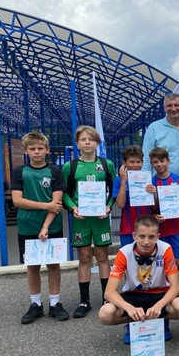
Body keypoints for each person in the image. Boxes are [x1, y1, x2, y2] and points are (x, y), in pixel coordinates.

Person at [98, 215, 179, 343]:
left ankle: (160, 320)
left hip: (159, 293)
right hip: (133, 295)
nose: (146, 242)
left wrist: (159, 306)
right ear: (134, 236)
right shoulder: (124, 252)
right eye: (142, 236)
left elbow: (176, 287)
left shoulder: (165, 249)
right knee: (105, 314)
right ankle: (133, 322)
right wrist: (129, 308)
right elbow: (109, 292)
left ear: (158, 236)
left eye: (151, 237)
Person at [12, 131, 69, 324]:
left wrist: (45, 226)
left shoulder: (55, 172)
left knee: (53, 265)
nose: (37, 152)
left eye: (40, 148)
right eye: (32, 148)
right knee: (32, 266)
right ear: (25, 151)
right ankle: (35, 304)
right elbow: (17, 201)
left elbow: (57, 203)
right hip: (27, 226)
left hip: (52, 226)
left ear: (47, 150)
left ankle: (55, 303)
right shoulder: (19, 172)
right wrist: (46, 206)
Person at [62, 125, 116, 318]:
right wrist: (72, 208)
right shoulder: (70, 166)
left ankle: (107, 298)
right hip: (81, 219)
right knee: (84, 257)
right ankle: (84, 300)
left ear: (97, 143)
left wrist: (108, 207)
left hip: (100, 218)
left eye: (91, 139)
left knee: (102, 256)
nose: (87, 142)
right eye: (83, 139)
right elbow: (64, 193)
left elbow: (113, 191)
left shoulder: (107, 164)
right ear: (77, 143)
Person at [149, 147, 179, 270]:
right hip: (161, 227)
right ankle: (164, 281)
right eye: (155, 162)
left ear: (168, 161)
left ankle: (170, 280)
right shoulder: (150, 183)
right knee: (160, 261)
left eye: (162, 161)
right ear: (151, 163)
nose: (159, 164)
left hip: (178, 226)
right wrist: (154, 216)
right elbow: (152, 208)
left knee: (178, 261)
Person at [141, 93, 179, 176]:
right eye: (169, 106)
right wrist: (145, 180)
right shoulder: (154, 128)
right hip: (162, 182)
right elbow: (146, 157)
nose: (173, 109)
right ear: (164, 108)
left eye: (177, 105)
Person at [113, 145, 155, 247]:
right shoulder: (119, 181)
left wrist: (155, 194)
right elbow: (120, 204)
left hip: (147, 228)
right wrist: (124, 182)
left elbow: (155, 207)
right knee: (129, 256)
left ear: (142, 162)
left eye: (138, 162)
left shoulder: (149, 179)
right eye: (132, 162)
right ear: (124, 162)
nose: (135, 165)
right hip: (127, 228)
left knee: (147, 256)